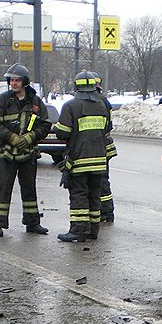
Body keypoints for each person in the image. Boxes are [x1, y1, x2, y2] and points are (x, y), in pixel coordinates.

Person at [0, 63, 51, 237]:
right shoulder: (2, 100)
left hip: (27, 154)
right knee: (2, 188)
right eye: (12, 80)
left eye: (17, 80)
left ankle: (32, 223)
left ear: (25, 82)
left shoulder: (36, 103)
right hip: (6, 154)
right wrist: (12, 138)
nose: (14, 83)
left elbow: (45, 125)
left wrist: (30, 138)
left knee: (29, 189)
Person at [54, 70, 111, 243]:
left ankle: (78, 230)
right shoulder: (103, 104)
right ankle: (93, 230)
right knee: (95, 195)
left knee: (79, 194)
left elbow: (62, 133)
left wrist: (58, 127)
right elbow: (107, 128)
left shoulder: (71, 106)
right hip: (100, 160)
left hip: (79, 160)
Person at [91, 71, 117, 223]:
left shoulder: (96, 101)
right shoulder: (104, 101)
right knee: (103, 179)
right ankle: (106, 211)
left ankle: (105, 211)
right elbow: (109, 125)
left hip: (97, 147)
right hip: (103, 146)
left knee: (100, 181)